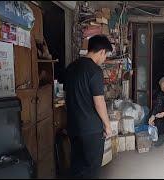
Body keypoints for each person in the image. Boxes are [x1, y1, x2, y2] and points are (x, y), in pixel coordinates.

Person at [64, 35, 113, 179]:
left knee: (77, 166)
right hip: (91, 130)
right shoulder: (94, 70)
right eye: (106, 56)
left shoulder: (71, 67)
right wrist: (107, 125)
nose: (104, 59)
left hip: (73, 127)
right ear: (102, 51)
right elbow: (99, 102)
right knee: (91, 169)